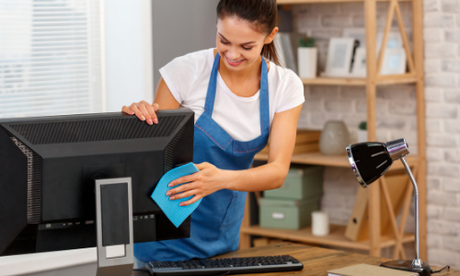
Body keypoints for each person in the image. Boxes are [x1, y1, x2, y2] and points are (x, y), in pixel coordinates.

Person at [122, 0, 305, 267]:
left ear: (270, 36)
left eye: (246, 46)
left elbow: (277, 171)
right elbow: (153, 158)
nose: (231, 54)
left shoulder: (285, 87)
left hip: (222, 237)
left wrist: (219, 180)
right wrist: (136, 123)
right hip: (162, 238)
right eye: (224, 40)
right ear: (216, 26)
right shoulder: (185, 72)